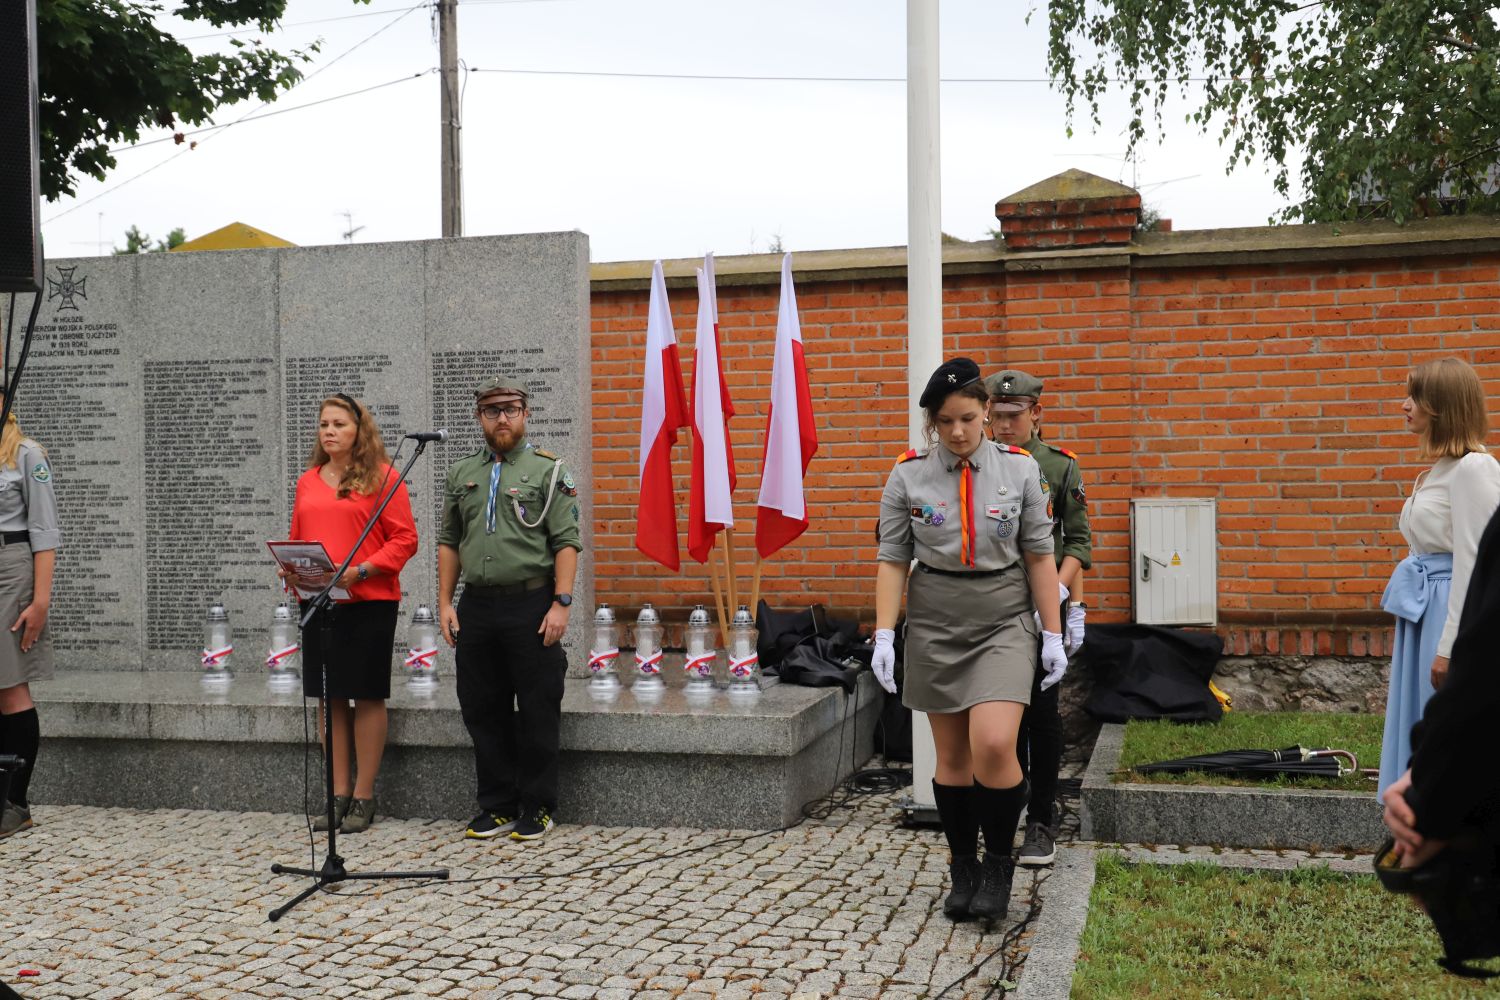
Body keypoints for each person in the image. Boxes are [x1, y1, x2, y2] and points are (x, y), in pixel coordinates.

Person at [871, 358, 1067, 923]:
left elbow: (1038, 555)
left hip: (1003, 618)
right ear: (932, 424)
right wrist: (885, 633)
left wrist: (1051, 634)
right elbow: (892, 560)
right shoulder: (907, 475)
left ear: (985, 412)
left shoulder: (1021, 471)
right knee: (953, 756)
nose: (957, 432)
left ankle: (1000, 863)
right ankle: (964, 867)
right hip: (935, 620)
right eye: (945, 421)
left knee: (996, 743)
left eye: (967, 418)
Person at [439, 377, 581, 843]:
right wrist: (445, 602)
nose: (502, 418)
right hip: (477, 606)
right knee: (482, 707)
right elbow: (449, 542)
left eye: (511, 409)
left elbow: (566, 542)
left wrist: (561, 602)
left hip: (533, 604)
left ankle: (538, 807)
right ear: (480, 417)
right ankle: (497, 804)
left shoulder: (549, 470)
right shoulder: (462, 473)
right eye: (492, 410)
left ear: (526, 415)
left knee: (538, 706)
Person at [288, 393, 417, 834]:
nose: (329, 431)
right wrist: (295, 571)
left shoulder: (384, 477)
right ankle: (337, 793)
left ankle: (364, 795)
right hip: (321, 603)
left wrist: (361, 570)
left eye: (339, 424)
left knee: (365, 694)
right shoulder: (307, 481)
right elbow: (298, 537)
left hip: (370, 601)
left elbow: (405, 540)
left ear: (359, 430)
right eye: (324, 424)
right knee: (329, 698)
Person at [1379, 358, 1500, 795]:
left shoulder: (1475, 469)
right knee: (1419, 720)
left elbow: (1476, 560)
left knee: (1444, 721)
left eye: (1415, 396)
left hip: (1449, 612)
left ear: (1441, 404)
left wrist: (1451, 647)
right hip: (1422, 611)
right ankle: (1413, 817)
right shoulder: (1437, 470)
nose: (1404, 404)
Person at [986, 369, 1091, 868]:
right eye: (996, 416)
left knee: (1041, 716)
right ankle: (1004, 808)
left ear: (1036, 414)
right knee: (997, 718)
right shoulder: (979, 465)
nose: (1003, 426)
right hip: (993, 607)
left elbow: (1077, 541)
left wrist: (1066, 600)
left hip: (1045, 604)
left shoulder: (1059, 466)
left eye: (1013, 416)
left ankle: (1042, 819)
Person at [0, 396, 59, 839]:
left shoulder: (26, 454)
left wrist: (39, 602)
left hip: (11, 568)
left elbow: (43, 531)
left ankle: (15, 802)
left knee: (10, 684)